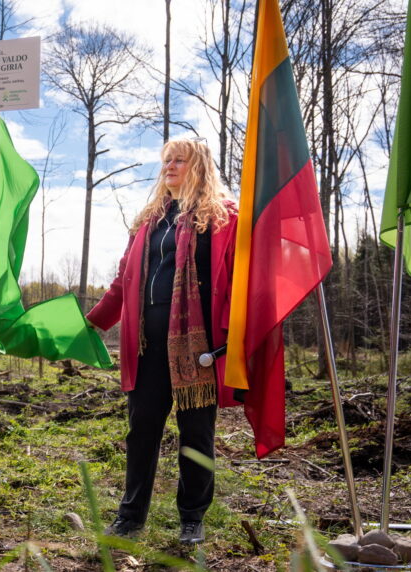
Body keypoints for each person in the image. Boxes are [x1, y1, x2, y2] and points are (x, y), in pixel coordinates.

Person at [85, 138, 239, 545]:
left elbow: (241, 280)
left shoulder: (223, 217)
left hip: (197, 348)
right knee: (142, 430)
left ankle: (192, 517)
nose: (169, 166)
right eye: (166, 160)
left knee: (196, 434)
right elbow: (124, 280)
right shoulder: (150, 221)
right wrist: (95, 322)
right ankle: (130, 516)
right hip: (146, 345)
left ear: (198, 166)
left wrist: (235, 335)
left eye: (179, 160)